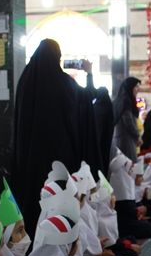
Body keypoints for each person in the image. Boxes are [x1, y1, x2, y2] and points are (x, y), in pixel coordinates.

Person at [12, 39, 101, 239]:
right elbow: (88, 98)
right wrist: (89, 74)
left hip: (31, 159)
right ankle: (60, 242)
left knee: (34, 199)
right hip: (60, 160)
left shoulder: (26, 80)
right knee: (59, 201)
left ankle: (30, 237)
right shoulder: (64, 84)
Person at [112, 77, 141, 162]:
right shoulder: (126, 101)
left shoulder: (119, 100)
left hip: (119, 138)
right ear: (130, 87)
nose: (138, 89)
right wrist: (137, 136)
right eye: (136, 86)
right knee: (130, 165)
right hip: (126, 140)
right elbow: (128, 122)